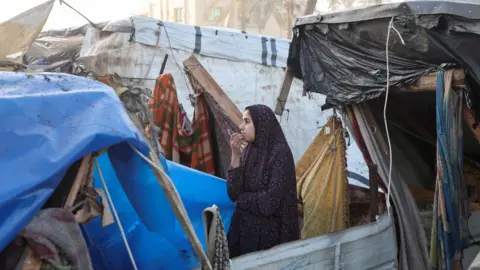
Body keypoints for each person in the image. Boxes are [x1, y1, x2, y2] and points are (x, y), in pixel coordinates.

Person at [226, 104, 299, 258]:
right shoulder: (249, 151)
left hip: (270, 240)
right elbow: (233, 193)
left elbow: (270, 203)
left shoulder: (280, 154)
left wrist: (242, 200)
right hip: (246, 233)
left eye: (247, 121)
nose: (241, 127)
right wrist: (235, 155)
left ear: (261, 124)